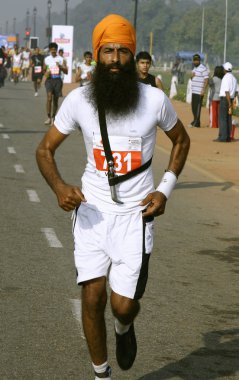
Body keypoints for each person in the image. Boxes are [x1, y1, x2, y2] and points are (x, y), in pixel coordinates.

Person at [36, 14, 190, 380]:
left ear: (133, 56)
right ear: (98, 56)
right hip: (91, 214)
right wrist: (59, 187)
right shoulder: (79, 101)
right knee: (92, 297)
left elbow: (181, 141)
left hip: (135, 219)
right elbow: (44, 151)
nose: (116, 59)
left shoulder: (154, 100)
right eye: (108, 51)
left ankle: (124, 328)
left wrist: (164, 189)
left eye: (123, 51)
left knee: (122, 306)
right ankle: (101, 374)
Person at [43, 42, 68, 125]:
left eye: (55, 49)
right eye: (52, 49)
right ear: (50, 50)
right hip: (49, 80)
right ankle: (48, 117)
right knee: (49, 98)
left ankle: (54, 117)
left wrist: (60, 67)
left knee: (55, 100)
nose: (53, 51)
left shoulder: (61, 59)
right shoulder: (46, 59)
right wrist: (46, 72)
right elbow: (43, 70)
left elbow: (66, 71)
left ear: (57, 50)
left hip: (57, 80)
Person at [214, 62, 238, 142]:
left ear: (225, 70)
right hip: (230, 99)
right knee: (228, 118)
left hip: (225, 99)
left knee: (222, 118)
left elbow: (226, 91)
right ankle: (228, 136)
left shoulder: (225, 78)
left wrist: (229, 103)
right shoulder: (234, 78)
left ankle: (223, 137)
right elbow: (237, 91)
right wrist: (233, 100)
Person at [189, 53, 209, 128]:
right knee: (193, 106)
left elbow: (206, 79)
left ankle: (197, 123)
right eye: (194, 60)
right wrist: (191, 76)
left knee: (197, 107)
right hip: (194, 91)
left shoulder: (203, 68)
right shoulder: (194, 68)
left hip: (199, 91)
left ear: (199, 61)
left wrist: (203, 90)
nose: (195, 62)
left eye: (197, 60)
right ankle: (195, 120)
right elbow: (192, 78)